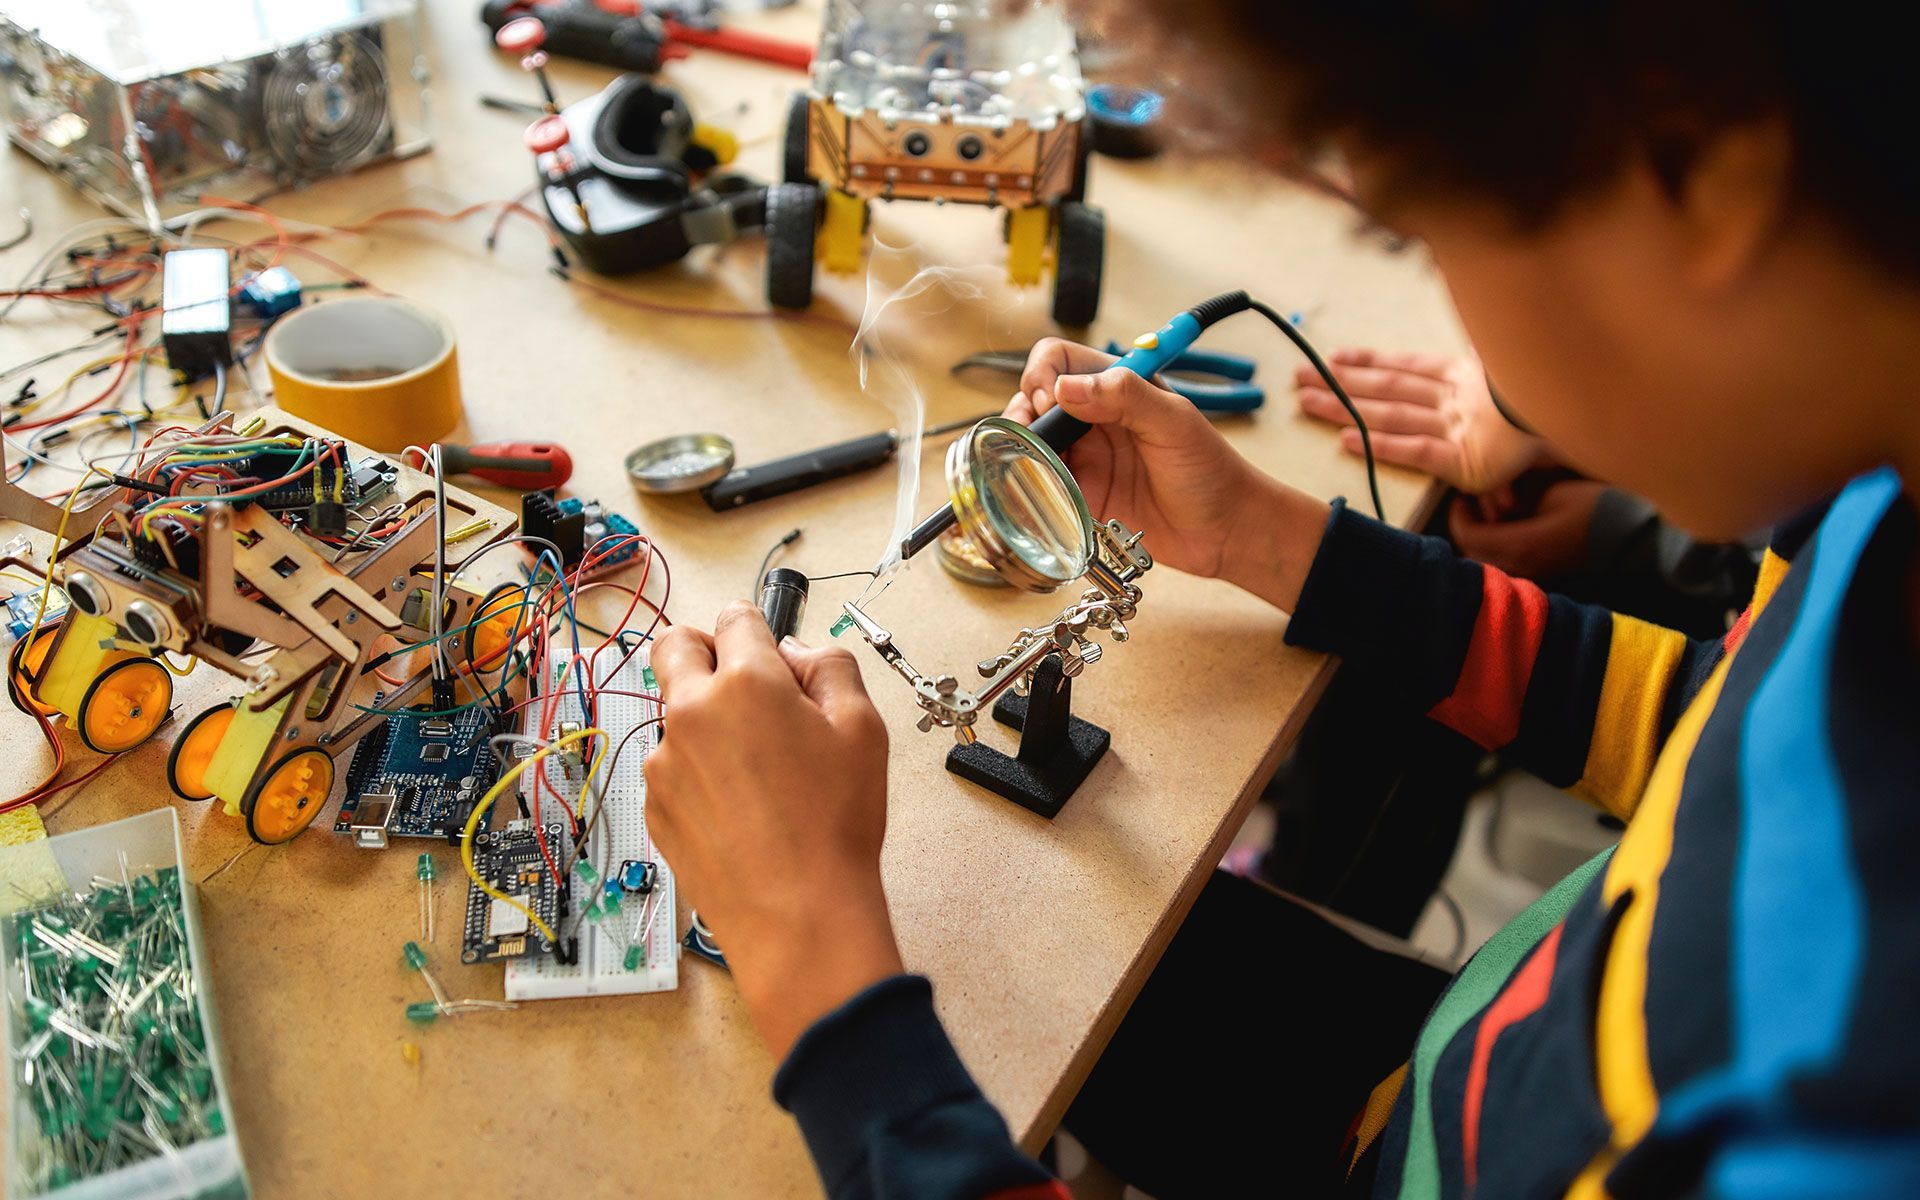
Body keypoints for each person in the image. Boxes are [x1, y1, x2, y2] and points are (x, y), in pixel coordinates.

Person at [643, 3, 1920, 1196]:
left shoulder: (1813, 1127)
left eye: (1422, 225)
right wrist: (1281, 543)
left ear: (1697, 165)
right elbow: (1710, 719)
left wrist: (822, 977)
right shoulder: (1867, 517)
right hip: (1470, 1062)